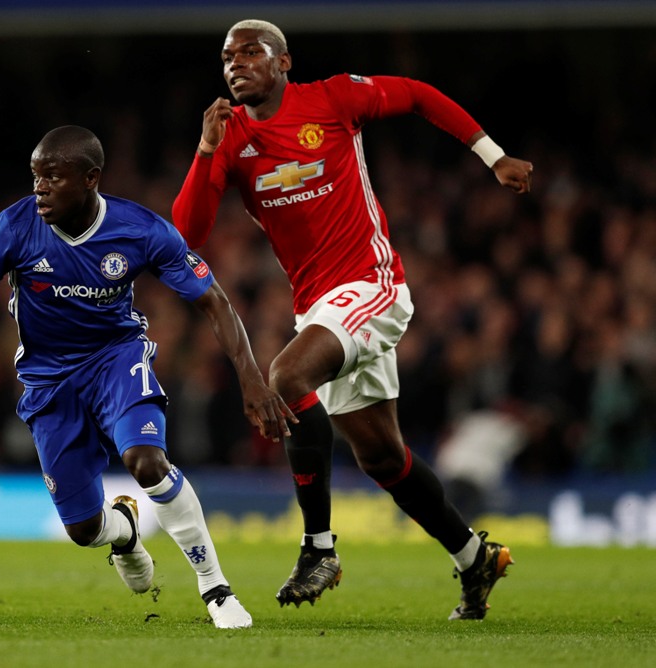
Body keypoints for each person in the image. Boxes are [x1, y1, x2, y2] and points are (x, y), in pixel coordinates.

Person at [172, 20, 533, 620]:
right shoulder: (231, 137)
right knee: (381, 458)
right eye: (227, 57)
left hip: (373, 285)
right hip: (319, 307)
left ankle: (318, 548)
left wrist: (491, 156)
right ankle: (475, 558)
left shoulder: (334, 98)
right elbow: (187, 235)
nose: (236, 64)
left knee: (286, 376)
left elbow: (418, 94)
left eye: (251, 52)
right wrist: (206, 150)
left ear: (284, 61)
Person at [0, 125, 296, 629]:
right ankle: (123, 530)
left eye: (54, 177)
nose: (40, 188)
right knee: (82, 529)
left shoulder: (141, 230)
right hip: (47, 380)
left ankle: (216, 589)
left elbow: (213, 300)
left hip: (115, 360)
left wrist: (251, 379)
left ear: (91, 178)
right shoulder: (11, 228)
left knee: (146, 462)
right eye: (36, 176)